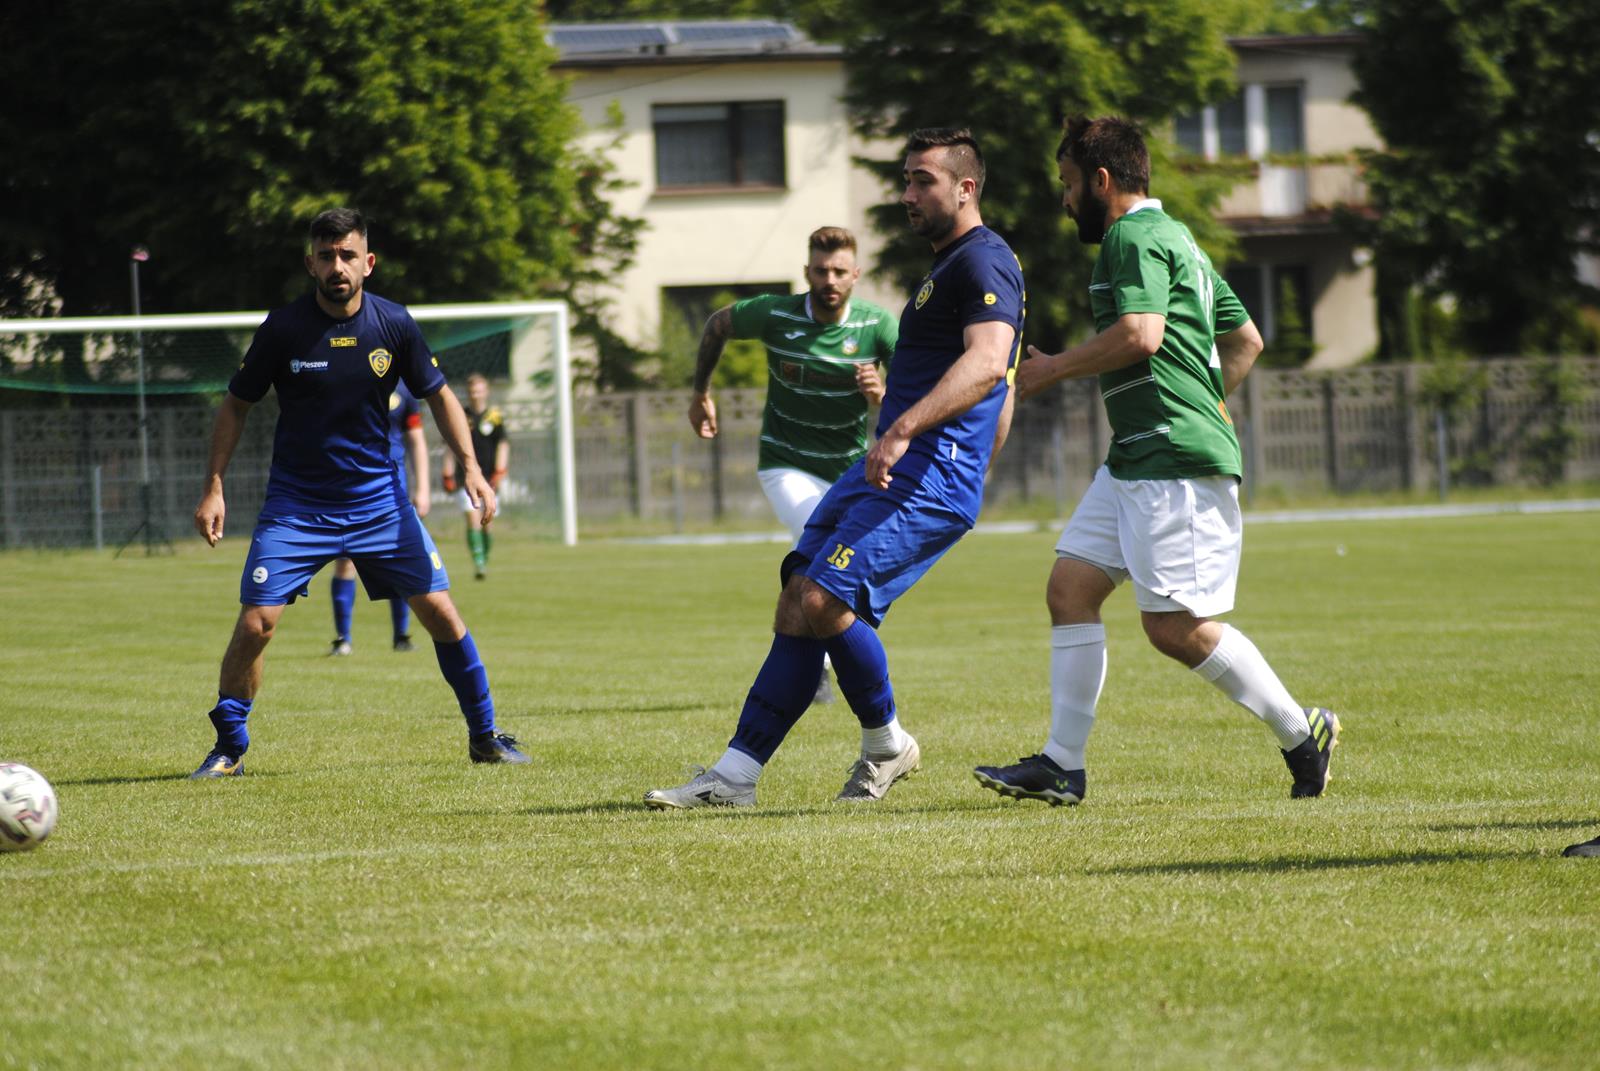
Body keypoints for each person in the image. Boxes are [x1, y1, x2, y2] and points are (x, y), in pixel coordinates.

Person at [645, 128, 1024, 808]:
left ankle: (887, 744)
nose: (907, 194)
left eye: (922, 182)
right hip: (889, 468)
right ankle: (734, 779)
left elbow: (993, 364)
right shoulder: (949, 265)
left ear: (966, 188)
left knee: (826, 596)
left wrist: (905, 430)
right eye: (904, 179)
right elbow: (1007, 377)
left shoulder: (985, 262)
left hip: (925, 472)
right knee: (798, 596)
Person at [972, 116, 1337, 807]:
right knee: (1071, 589)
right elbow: (1247, 339)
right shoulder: (1181, 240)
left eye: (1070, 184)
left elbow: (1141, 334)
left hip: (1168, 455)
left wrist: (1052, 370)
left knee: (1173, 626)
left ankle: (1301, 730)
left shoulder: (1131, 235)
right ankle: (1062, 764)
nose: (1065, 199)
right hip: (1137, 454)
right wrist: (1207, 401)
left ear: (1102, 182)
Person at [188, 207, 530, 778]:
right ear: (310, 263)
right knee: (255, 625)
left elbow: (439, 395)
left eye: (347, 255)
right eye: (326, 256)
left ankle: (484, 735)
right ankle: (229, 748)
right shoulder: (283, 329)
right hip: (297, 505)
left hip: (379, 502)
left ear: (367, 263)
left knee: (442, 614)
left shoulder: (393, 324)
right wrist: (214, 486)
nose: (337, 266)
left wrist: (469, 464)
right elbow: (236, 404)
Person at [689, 225, 899, 703]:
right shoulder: (777, 314)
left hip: (848, 467)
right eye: (821, 270)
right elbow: (718, 323)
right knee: (816, 536)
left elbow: (914, 397)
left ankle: (815, 659)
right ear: (806, 271)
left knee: (822, 561)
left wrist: (879, 395)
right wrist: (700, 393)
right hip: (785, 463)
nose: (830, 279)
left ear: (856, 275)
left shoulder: (879, 327)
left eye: (839, 271)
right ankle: (826, 665)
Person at [328, 380, 430, 655]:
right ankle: (343, 638)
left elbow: (416, 438)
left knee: (397, 559)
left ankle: (401, 636)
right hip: (350, 482)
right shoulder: (350, 372)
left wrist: (422, 488)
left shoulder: (405, 388)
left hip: (393, 486)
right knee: (345, 558)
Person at [441, 372, 508, 580]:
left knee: (487, 524)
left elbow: (503, 444)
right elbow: (451, 445)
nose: (475, 394)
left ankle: (484, 558)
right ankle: (479, 564)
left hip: (489, 479)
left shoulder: (494, 417)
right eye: (472, 390)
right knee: (472, 519)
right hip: (466, 478)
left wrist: (500, 471)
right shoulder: (462, 415)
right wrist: (448, 471)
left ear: (486, 391)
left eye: (479, 390)